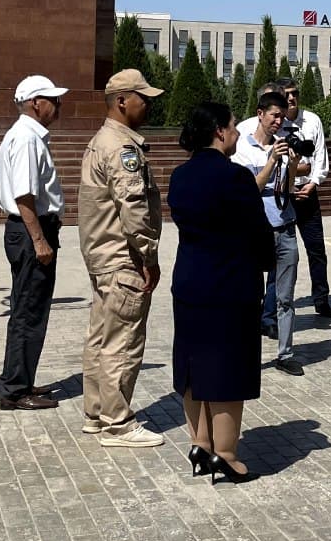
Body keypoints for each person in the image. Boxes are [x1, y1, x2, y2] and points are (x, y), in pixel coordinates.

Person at [169, 103, 273, 484]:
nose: (235, 134)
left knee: (194, 365)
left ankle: (201, 443)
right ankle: (227, 454)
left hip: (190, 281)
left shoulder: (179, 176)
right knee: (227, 367)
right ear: (218, 131)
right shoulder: (236, 178)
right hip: (230, 285)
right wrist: (266, 263)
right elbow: (258, 232)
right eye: (232, 127)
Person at [78, 69, 165, 447]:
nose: (148, 105)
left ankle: (97, 414)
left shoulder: (102, 141)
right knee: (123, 341)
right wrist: (148, 255)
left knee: (101, 338)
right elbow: (132, 206)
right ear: (122, 101)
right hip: (123, 259)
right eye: (143, 98)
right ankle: (118, 423)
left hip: (103, 257)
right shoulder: (121, 148)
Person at [0, 74, 68, 411]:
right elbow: (24, 195)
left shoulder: (29, 136)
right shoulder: (25, 138)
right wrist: (39, 240)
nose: (58, 104)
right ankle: (14, 390)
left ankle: (20, 379)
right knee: (27, 312)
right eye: (52, 98)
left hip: (29, 230)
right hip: (30, 232)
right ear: (35, 102)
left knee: (30, 310)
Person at [239, 79, 331, 326]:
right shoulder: (246, 130)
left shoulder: (307, 122)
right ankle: (262, 316)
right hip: (263, 209)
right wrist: (276, 163)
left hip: (297, 197)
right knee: (261, 266)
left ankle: (315, 301)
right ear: (261, 110)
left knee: (311, 252)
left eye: (292, 95)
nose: (288, 101)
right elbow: (249, 178)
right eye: (281, 98)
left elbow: (314, 159)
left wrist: (306, 176)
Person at [233, 91, 303, 375]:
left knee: (285, 297)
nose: (279, 121)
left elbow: (285, 191)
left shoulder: (282, 147)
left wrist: (293, 165)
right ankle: (246, 355)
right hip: (255, 231)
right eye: (274, 115)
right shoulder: (242, 148)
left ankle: (285, 354)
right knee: (249, 296)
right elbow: (250, 190)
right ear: (260, 114)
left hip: (285, 227)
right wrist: (272, 160)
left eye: (282, 116)